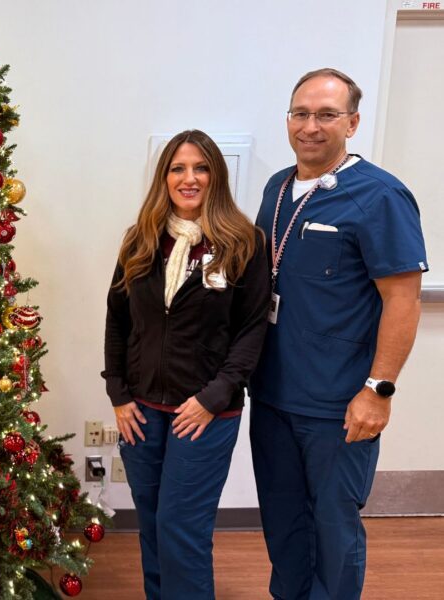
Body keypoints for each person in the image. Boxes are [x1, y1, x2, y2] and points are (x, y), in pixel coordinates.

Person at [250, 68, 426, 599]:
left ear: (352, 121)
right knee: (284, 525)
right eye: (301, 113)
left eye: (327, 114)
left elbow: (404, 299)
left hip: (338, 403)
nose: (311, 126)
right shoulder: (276, 188)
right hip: (274, 395)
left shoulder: (380, 196)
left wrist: (378, 390)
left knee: (333, 529)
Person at [103, 130, 271, 599]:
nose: (189, 178)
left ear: (216, 176)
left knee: (183, 529)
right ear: (164, 178)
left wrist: (212, 398)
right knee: (154, 524)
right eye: (178, 168)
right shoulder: (140, 241)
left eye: (200, 168)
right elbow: (117, 321)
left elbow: (253, 330)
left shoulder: (244, 243)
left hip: (205, 413)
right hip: (140, 410)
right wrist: (118, 395)